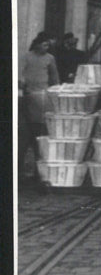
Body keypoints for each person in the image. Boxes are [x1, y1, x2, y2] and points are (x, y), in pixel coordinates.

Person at [19, 32, 60, 179]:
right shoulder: (27, 56)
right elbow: (19, 74)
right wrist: (22, 84)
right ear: (37, 44)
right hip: (29, 95)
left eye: (48, 45)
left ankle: (39, 170)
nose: (46, 47)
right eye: (44, 44)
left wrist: (57, 91)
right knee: (27, 134)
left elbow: (55, 77)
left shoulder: (50, 58)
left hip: (44, 96)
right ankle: (18, 170)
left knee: (41, 132)